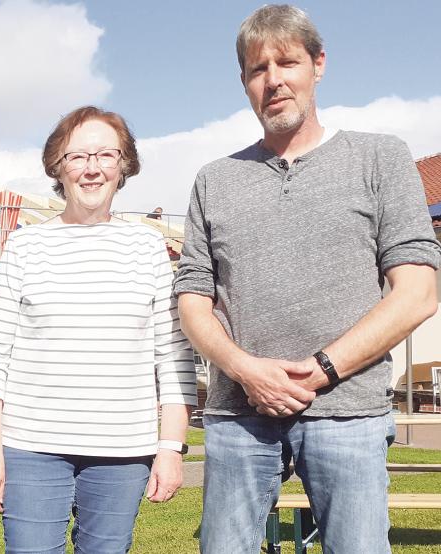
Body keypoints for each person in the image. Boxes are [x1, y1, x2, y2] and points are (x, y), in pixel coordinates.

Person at [174, 5, 441, 552]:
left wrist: (322, 369)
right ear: (244, 82)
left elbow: (418, 291)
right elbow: (193, 303)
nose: (273, 79)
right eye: (256, 68)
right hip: (238, 415)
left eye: (287, 62)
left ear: (318, 64)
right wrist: (248, 371)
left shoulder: (380, 158)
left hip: (349, 411)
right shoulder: (214, 180)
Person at [0, 106, 197, 553]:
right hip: (31, 448)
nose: (92, 168)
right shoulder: (26, 244)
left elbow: (173, 358)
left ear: (123, 164)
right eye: (77, 157)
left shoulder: (148, 246)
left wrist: (170, 448)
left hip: (122, 453)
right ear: (57, 166)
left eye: (105, 155)